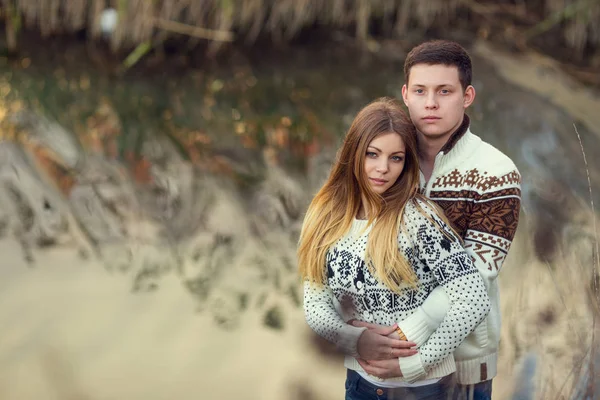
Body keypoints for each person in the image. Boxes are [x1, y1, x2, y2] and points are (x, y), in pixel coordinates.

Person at [353, 40, 522, 400]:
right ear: (406, 94)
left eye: (444, 91)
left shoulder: (495, 172)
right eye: (420, 91)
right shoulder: (385, 162)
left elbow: (478, 274)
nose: (430, 103)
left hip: (461, 370)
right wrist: (358, 332)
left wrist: (406, 335)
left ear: (467, 96)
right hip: (378, 365)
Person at [298, 97, 491, 399]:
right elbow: (315, 304)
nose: (382, 169)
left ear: (407, 162)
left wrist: (416, 364)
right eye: (372, 154)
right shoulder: (326, 216)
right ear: (354, 152)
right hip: (360, 387)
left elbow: (474, 300)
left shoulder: (418, 219)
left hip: (425, 390)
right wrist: (355, 340)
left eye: (396, 158)